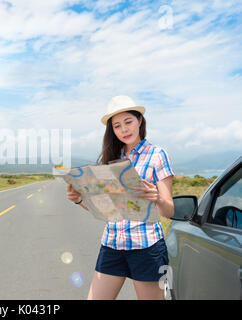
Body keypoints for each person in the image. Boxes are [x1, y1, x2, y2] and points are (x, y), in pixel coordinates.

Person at [66, 95, 174, 300]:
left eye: (128, 122)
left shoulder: (157, 155)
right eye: (117, 126)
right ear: (112, 131)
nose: (124, 129)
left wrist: (157, 198)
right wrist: (79, 199)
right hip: (112, 244)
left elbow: (169, 210)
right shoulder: (111, 159)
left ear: (139, 120)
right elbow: (106, 209)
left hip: (147, 247)